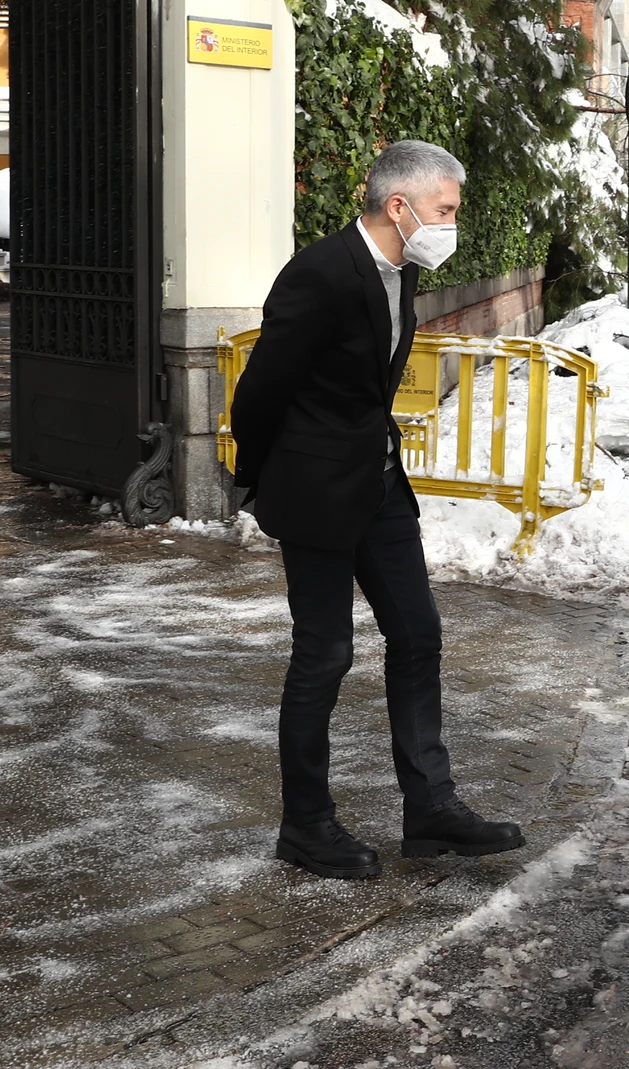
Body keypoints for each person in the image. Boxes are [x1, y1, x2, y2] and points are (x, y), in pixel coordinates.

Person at [230, 140, 525, 880]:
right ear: (401, 206)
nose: (451, 224)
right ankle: (306, 825)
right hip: (316, 492)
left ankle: (431, 808)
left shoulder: (400, 274)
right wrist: (259, 483)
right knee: (325, 654)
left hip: (378, 484)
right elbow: (262, 390)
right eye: (445, 210)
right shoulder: (320, 274)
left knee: (418, 632)